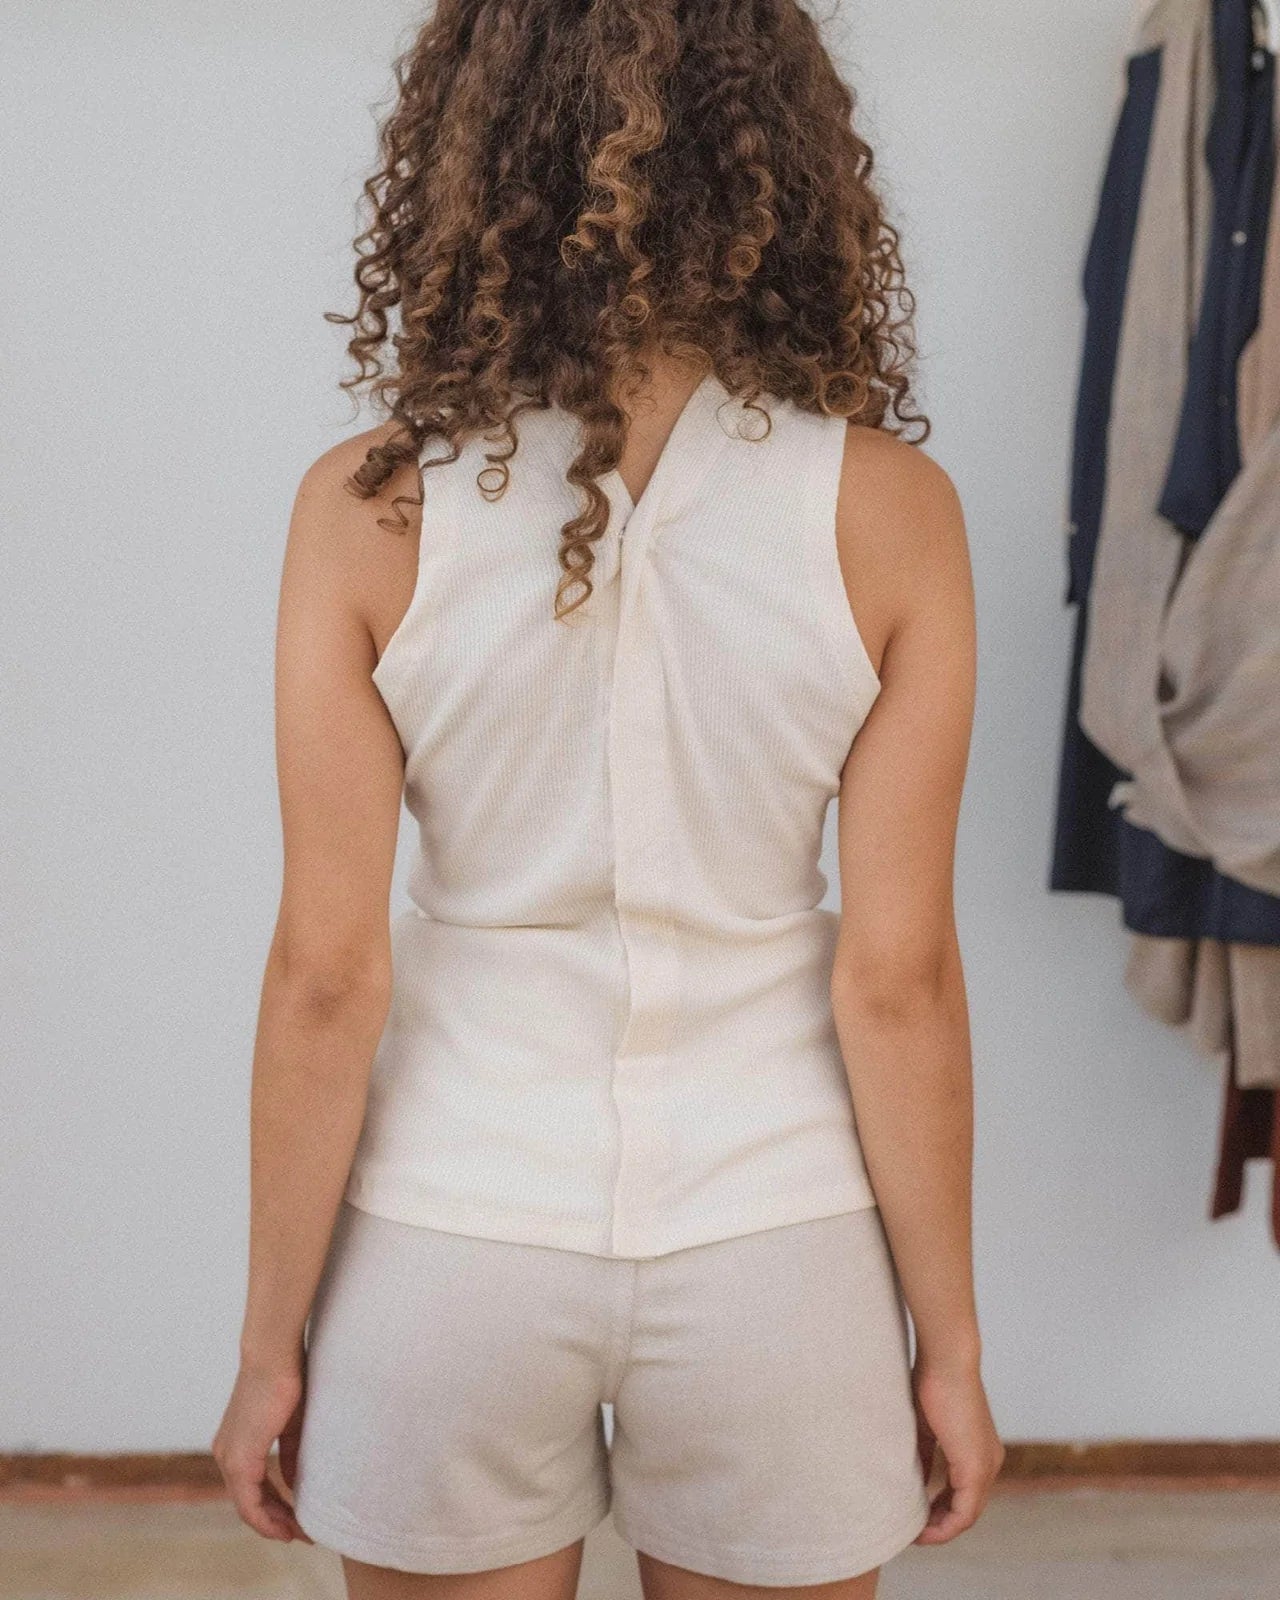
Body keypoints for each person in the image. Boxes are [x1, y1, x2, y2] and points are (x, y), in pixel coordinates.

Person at [212, 2, 1004, 1596]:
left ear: (471, 155)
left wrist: (269, 1347)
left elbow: (326, 976)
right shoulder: (895, 516)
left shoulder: (366, 512)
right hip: (777, 1238)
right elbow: (898, 979)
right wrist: (952, 1348)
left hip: (452, 1237)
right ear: (779, 164)